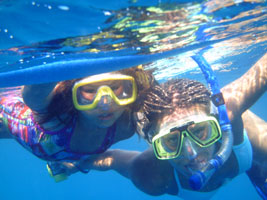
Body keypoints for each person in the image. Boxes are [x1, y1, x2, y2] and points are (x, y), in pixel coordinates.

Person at [61, 53, 267, 199]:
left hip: (251, 148)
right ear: (154, 146)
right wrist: (78, 165)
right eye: (170, 142)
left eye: (200, 132)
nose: (191, 153)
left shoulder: (227, 110)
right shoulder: (151, 176)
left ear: (218, 122)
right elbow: (113, 160)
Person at [0, 65, 155, 181]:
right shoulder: (58, 117)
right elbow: (34, 97)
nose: (105, 104)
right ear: (73, 95)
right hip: (20, 123)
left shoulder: (125, 126)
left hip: (59, 153)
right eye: (90, 91)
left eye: (115, 88)